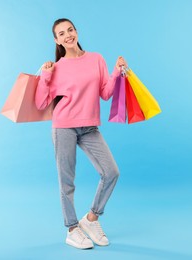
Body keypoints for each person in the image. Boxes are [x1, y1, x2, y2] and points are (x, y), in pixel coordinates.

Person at [35, 18, 127, 249]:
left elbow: (105, 93)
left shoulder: (96, 59)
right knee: (67, 182)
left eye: (70, 30)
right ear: (56, 40)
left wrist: (117, 71)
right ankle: (72, 229)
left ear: (76, 31)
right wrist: (46, 75)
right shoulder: (56, 68)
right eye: (61, 33)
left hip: (89, 127)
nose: (68, 35)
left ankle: (91, 218)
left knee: (111, 172)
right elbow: (40, 103)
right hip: (63, 126)